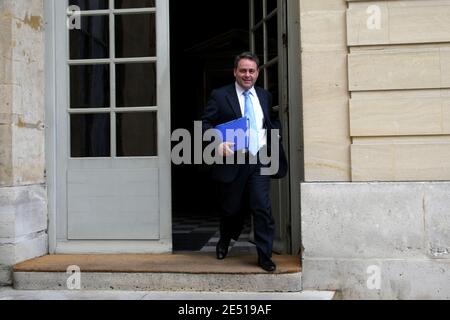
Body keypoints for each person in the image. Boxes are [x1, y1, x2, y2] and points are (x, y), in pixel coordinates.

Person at [201, 52, 287, 272]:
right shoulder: (220, 96)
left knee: (262, 207)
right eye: (243, 70)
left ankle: (264, 255)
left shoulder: (264, 96)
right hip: (233, 161)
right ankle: (225, 239)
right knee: (232, 209)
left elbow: (271, 120)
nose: (247, 75)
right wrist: (217, 142)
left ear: (257, 72)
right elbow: (206, 123)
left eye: (251, 71)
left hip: (259, 161)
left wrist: (274, 134)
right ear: (235, 72)